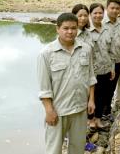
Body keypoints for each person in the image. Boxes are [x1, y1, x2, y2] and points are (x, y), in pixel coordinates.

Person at [37, 13, 96, 154]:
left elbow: (91, 76)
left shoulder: (86, 49)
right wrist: (49, 111)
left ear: (78, 29)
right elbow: (44, 87)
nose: (70, 32)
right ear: (57, 29)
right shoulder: (46, 53)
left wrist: (91, 100)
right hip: (58, 111)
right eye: (66, 28)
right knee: (54, 150)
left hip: (80, 109)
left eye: (73, 28)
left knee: (77, 148)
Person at [88, 3, 115, 128]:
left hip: (106, 69)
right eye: (95, 13)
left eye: (100, 13)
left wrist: (112, 67)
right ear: (90, 14)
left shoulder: (107, 29)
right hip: (93, 71)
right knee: (92, 96)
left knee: (102, 96)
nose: (98, 15)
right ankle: (91, 120)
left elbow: (111, 50)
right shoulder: (86, 32)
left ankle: (98, 119)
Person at [103, 0, 120, 120]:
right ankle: (96, 113)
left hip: (116, 61)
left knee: (112, 86)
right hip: (102, 63)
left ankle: (107, 111)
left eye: (117, 8)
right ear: (107, 8)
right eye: (112, 8)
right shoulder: (100, 23)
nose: (114, 10)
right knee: (101, 87)